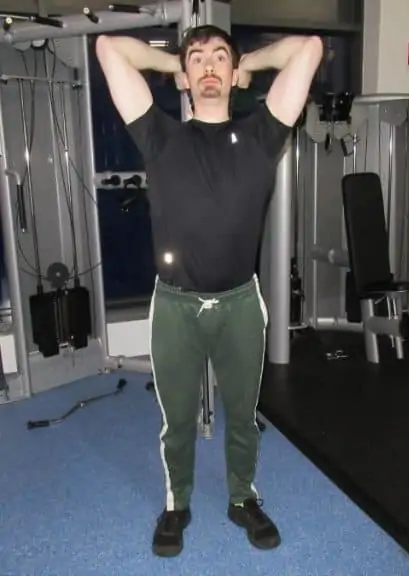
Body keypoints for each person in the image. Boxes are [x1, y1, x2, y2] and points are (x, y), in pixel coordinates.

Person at [94, 26, 323, 557]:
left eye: (221, 57)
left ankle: (242, 498)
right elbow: (108, 48)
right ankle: (177, 505)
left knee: (242, 416)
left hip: (242, 305)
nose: (210, 66)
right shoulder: (160, 136)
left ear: (234, 73)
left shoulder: (264, 134)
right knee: (176, 419)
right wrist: (168, 63)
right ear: (186, 76)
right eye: (198, 59)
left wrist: (251, 63)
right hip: (174, 307)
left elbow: (308, 48)